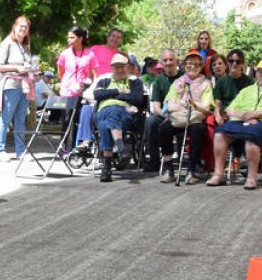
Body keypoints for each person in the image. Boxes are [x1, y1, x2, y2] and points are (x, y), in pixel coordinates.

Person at [208, 59, 262, 189]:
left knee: (252, 137)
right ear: (256, 73)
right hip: (241, 120)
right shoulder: (246, 90)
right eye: (261, 72)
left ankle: (252, 177)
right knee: (219, 134)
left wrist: (256, 114)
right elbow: (229, 110)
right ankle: (218, 174)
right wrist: (244, 116)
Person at [156, 49, 212, 184]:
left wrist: (193, 105)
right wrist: (184, 104)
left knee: (198, 129)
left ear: (201, 66)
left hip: (195, 119)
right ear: (184, 65)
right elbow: (168, 104)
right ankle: (168, 168)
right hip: (178, 118)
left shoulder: (206, 84)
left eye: (196, 64)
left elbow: (206, 107)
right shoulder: (177, 82)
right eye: (189, 64)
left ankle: (191, 170)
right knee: (164, 128)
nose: (192, 67)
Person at [93, 53, 144, 183]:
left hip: (125, 117)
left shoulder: (135, 82)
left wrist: (114, 97)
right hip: (102, 113)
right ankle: (120, 146)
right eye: (116, 67)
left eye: (122, 66)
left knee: (106, 124)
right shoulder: (104, 81)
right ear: (112, 68)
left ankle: (107, 167)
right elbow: (97, 94)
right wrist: (117, 91)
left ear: (128, 67)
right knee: (111, 113)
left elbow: (137, 98)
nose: (119, 70)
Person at [0, 16, 35, 162]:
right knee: (6, 118)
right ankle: (1, 150)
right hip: (11, 84)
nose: (23, 29)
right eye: (20, 26)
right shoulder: (7, 43)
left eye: (26, 27)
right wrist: (16, 67)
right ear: (14, 27)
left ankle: (20, 150)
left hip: (24, 85)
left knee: (20, 119)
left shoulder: (25, 46)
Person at [57, 25, 93, 148]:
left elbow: (93, 73)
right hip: (67, 92)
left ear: (80, 38)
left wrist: (87, 85)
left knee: (79, 120)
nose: (69, 40)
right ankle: (63, 147)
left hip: (83, 92)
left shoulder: (89, 54)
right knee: (66, 120)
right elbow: (60, 71)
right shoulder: (65, 54)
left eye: (72, 37)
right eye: (68, 37)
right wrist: (67, 83)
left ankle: (76, 148)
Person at [146, 48, 182, 169]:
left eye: (171, 59)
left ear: (176, 61)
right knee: (150, 121)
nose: (168, 62)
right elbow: (156, 106)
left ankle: (192, 160)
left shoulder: (185, 77)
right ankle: (154, 159)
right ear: (161, 62)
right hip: (165, 115)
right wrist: (165, 115)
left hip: (183, 115)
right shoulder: (158, 82)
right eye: (165, 60)